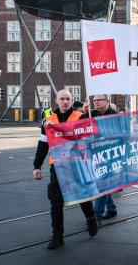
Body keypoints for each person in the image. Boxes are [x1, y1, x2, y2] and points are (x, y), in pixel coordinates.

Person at [32, 89, 98, 249]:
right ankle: (57, 236)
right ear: (56, 101)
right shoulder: (48, 119)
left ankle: (90, 218)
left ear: (72, 100)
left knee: (83, 196)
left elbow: (89, 139)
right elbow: (43, 143)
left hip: (77, 163)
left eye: (68, 99)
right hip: (57, 165)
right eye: (62, 99)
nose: (65, 102)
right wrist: (37, 166)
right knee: (56, 202)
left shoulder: (80, 117)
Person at [82, 94, 120, 223]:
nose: (96, 102)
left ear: (107, 101)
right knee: (102, 181)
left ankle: (97, 213)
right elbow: (77, 125)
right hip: (96, 154)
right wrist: (84, 111)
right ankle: (111, 208)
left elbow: (123, 135)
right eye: (94, 101)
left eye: (99, 100)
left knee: (103, 181)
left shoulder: (116, 115)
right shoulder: (91, 114)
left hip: (111, 154)